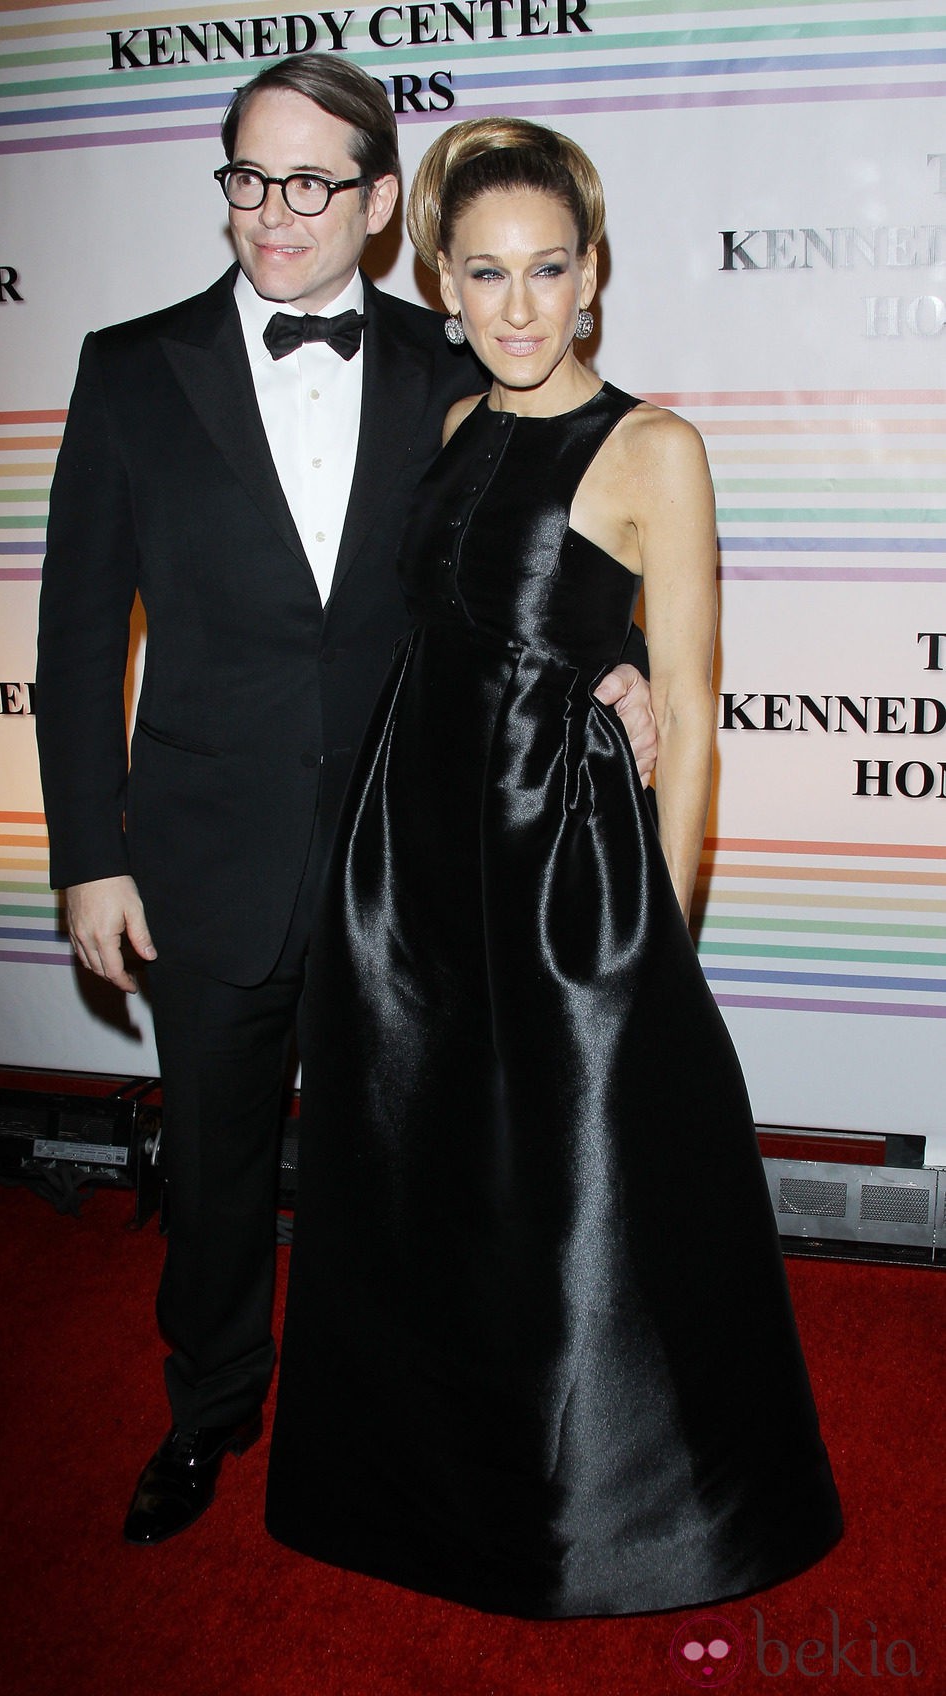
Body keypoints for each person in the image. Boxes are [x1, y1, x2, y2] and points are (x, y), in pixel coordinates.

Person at [35, 59, 654, 1548]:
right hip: (204, 855)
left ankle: (411, 1412)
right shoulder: (129, 368)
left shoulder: (458, 362)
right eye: (250, 177)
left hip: (413, 849)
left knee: (418, 1168)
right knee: (216, 1166)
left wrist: (616, 655)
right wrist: (88, 855)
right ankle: (210, 1407)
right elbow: (75, 632)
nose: (275, 211)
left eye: (313, 182)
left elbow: (537, 543)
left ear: (382, 204)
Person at [265, 117, 843, 1617]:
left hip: (559, 876)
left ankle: (610, 1520)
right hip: (412, 866)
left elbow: (693, 713)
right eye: (484, 272)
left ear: (592, 277)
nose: (516, 305)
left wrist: (665, 936)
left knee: (582, 1195)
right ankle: (425, 1490)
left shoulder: (656, 447)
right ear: (443, 283)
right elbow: (466, 624)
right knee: (433, 1177)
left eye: (546, 270)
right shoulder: (459, 423)